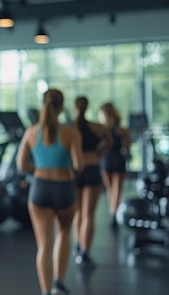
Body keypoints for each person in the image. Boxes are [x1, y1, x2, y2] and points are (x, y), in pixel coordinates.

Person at [16, 88, 83, 295]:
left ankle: (46, 291)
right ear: (61, 108)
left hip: (40, 188)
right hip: (64, 188)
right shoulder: (71, 133)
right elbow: (79, 165)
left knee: (44, 245)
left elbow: (21, 165)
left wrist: (38, 169)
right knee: (63, 232)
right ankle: (58, 284)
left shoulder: (31, 132)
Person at [72, 96, 112, 268]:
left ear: (75, 108)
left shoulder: (69, 128)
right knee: (88, 214)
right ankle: (84, 252)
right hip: (92, 168)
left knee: (78, 213)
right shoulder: (96, 127)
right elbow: (109, 142)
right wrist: (97, 154)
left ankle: (78, 245)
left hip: (75, 171)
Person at [98, 102, 131, 229]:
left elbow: (100, 147)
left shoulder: (102, 130)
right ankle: (113, 213)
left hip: (106, 159)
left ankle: (112, 212)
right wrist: (127, 153)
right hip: (117, 158)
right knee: (116, 189)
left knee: (111, 189)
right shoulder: (121, 130)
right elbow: (127, 147)